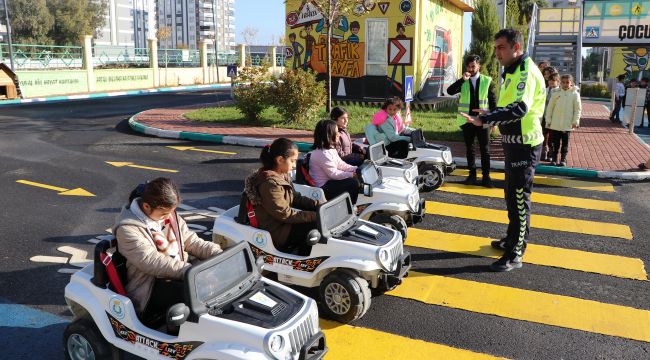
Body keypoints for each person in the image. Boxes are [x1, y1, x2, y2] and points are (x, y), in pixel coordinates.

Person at [460, 29, 546, 272]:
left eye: (501, 47)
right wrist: (491, 114)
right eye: (496, 47)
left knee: (519, 199)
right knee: (510, 194)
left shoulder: (526, 72)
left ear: (516, 47)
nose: (496, 53)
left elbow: (519, 109)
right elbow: (509, 106)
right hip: (513, 142)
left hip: (524, 145)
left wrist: (485, 121)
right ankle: (511, 239)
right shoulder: (513, 68)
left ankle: (516, 252)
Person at [114, 178, 222, 325]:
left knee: (216, 280)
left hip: (177, 273)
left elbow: (190, 240)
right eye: (164, 214)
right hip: (150, 287)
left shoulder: (167, 212)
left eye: (171, 212)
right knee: (199, 293)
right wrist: (190, 272)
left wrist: (216, 252)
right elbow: (152, 261)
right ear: (146, 206)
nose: (169, 217)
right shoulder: (127, 229)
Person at [244, 138, 319, 253]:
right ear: (280, 160)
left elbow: (295, 197)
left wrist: (319, 206)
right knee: (314, 226)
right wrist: (315, 216)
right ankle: (302, 261)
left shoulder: (282, 175)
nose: (295, 165)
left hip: (283, 223)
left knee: (317, 221)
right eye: (292, 161)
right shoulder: (269, 184)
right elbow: (285, 214)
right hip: (277, 231)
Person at [446, 54, 497, 187]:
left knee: (485, 149)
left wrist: (494, 121)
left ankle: (486, 177)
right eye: (468, 66)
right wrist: (461, 80)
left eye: (473, 66)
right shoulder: (463, 81)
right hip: (467, 120)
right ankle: (472, 175)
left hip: (483, 120)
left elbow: (493, 103)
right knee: (470, 149)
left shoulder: (488, 81)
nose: (470, 69)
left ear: (479, 66)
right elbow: (450, 91)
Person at [310, 120, 360, 203]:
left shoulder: (330, 149)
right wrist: (352, 174)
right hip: (323, 186)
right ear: (328, 134)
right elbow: (333, 174)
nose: (339, 134)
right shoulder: (322, 153)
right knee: (353, 183)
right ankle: (352, 206)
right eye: (336, 132)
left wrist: (356, 169)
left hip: (330, 181)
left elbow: (340, 164)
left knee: (355, 180)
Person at [546, 74, 582, 167]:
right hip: (555, 124)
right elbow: (550, 108)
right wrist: (548, 120)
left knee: (565, 144)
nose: (565, 84)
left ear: (571, 83)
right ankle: (554, 159)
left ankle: (563, 159)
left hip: (567, 125)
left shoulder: (575, 94)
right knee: (555, 144)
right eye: (563, 82)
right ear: (560, 83)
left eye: (567, 82)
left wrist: (575, 121)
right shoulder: (555, 93)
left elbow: (577, 109)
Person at [541, 72, 561, 161]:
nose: (551, 83)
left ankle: (551, 153)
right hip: (545, 117)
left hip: (554, 118)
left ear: (558, 82)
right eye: (550, 81)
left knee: (552, 137)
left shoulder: (559, 92)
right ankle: (543, 152)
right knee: (543, 135)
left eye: (554, 82)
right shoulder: (545, 90)